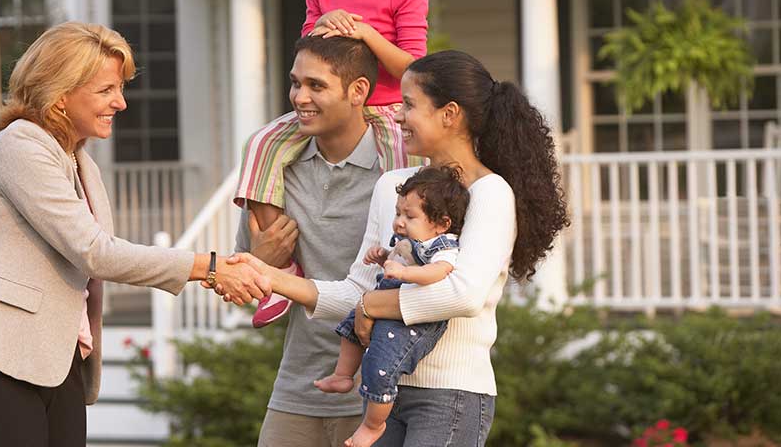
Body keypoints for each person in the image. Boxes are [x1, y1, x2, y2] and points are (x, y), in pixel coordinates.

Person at [0, 22, 269, 447]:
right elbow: (95, 252)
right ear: (61, 91)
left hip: (56, 362)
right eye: (107, 89)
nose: (120, 103)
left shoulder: (80, 163)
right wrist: (209, 267)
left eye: (120, 88)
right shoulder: (20, 145)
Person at [229, 50, 569, 447]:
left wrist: (371, 306)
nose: (398, 116)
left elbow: (463, 294)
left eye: (409, 105)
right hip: (384, 394)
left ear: (450, 114)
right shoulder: (392, 185)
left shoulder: (489, 192)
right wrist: (268, 275)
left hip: (452, 396)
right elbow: (359, 288)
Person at [235, 0, 429, 328]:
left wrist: (365, 33)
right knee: (262, 142)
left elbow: (416, 69)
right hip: (330, 106)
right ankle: (279, 264)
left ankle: (394, 266)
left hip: (383, 110)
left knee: (402, 174)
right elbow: (309, 54)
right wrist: (327, 24)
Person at [233, 34, 389, 447]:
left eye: (316, 85)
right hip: (296, 391)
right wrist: (260, 261)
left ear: (358, 92)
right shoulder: (276, 171)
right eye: (295, 83)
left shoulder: (396, 174)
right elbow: (238, 284)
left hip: (380, 395)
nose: (300, 97)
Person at [315, 166, 471, 445]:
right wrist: (382, 256)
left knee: (381, 366)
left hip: (412, 318)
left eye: (409, 216)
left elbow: (439, 272)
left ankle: (373, 425)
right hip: (387, 303)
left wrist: (405, 274)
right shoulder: (407, 239)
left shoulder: (442, 245)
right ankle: (342, 375)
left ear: (442, 223)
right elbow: (398, 258)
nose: (399, 222)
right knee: (350, 328)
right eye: (399, 213)